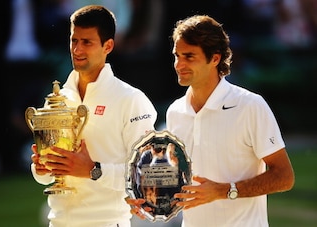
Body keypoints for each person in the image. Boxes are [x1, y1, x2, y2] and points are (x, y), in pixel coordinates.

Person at [126, 14, 295, 226]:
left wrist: (223, 191)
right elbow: (175, 181)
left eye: (189, 56)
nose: (179, 64)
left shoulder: (250, 106)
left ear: (215, 58)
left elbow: (284, 177)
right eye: (177, 55)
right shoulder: (175, 111)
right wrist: (147, 197)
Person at [30, 5, 157, 227]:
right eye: (74, 41)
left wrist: (93, 170)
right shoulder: (58, 100)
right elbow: (47, 178)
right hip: (58, 222)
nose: (77, 49)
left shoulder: (131, 99)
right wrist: (42, 168)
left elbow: (147, 173)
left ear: (108, 46)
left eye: (86, 42)